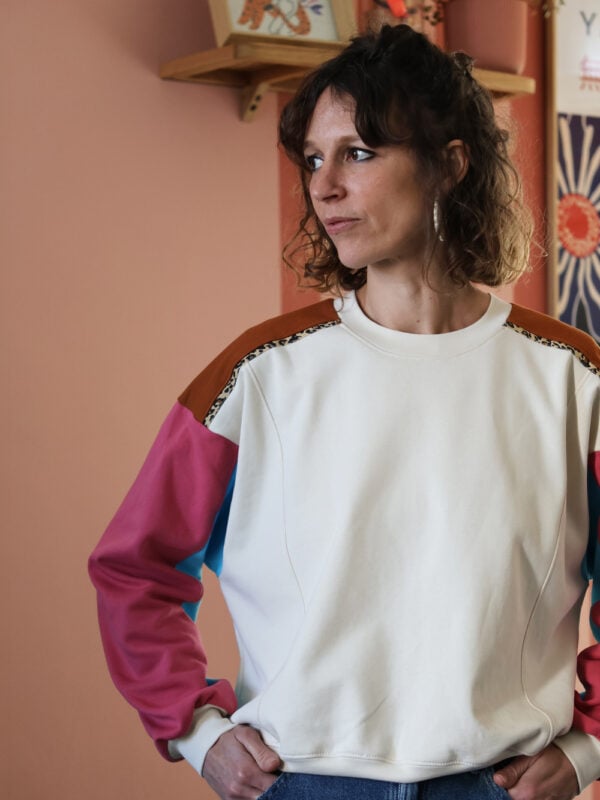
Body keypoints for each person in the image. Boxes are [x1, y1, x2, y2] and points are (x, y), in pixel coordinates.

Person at [89, 23, 600, 800]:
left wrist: (588, 747)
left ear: (450, 164)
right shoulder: (257, 375)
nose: (324, 186)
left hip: (502, 786)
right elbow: (135, 567)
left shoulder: (573, 378)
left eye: (358, 153)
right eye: (312, 159)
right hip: (303, 785)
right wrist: (198, 733)